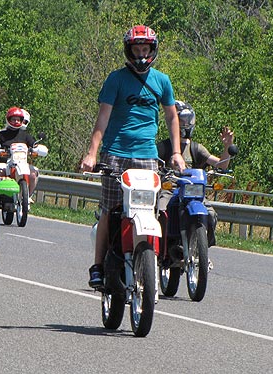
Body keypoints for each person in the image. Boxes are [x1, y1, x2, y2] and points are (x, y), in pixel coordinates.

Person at [80, 25, 185, 289]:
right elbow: (102, 118)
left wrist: (176, 153)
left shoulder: (162, 81)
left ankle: (152, 258)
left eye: (145, 49)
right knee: (109, 210)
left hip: (147, 157)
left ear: (152, 50)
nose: (141, 55)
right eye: (136, 49)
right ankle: (97, 265)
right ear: (129, 51)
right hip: (115, 154)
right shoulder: (116, 79)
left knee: (153, 210)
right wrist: (92, 154)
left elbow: (172, 117)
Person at [156, 100, 234, 246]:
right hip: (170, 190)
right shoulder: (164, 147)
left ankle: (202, 248)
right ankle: (160, 248)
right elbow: (152, 162)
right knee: (161, 211)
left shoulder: (196, 148)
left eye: (188, 120)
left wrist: (227, 146)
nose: (186, 124)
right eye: (182, 120)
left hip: (192, 191)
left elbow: (221, 164)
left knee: (210, 213)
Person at [0, 106, 40, 201]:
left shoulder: (25, 134)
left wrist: (37, 149)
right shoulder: (1, 134)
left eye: (18, 120)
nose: (16, 122)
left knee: (33, 174)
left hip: (22, 163)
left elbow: (34, 144)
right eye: (13, 119)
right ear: (8, 120)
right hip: (5, 163)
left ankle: (27, 197)